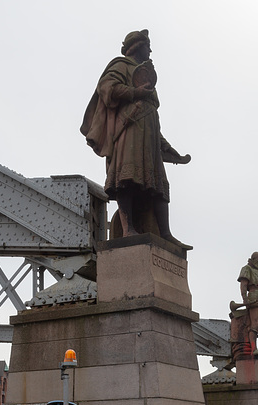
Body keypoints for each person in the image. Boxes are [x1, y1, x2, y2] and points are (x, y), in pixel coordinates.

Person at [80, 29, 190, 244]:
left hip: (149, 136)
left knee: (159, 185)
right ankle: (128, 228)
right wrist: (136, 92)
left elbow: (151, 118)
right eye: (147, 45)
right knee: (126, 178)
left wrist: (166, 146)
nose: (150, 50)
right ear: (137, 46)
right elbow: (107, 88)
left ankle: (165, 234)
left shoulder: (146, 73)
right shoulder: (122, 65)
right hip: (128, 131)